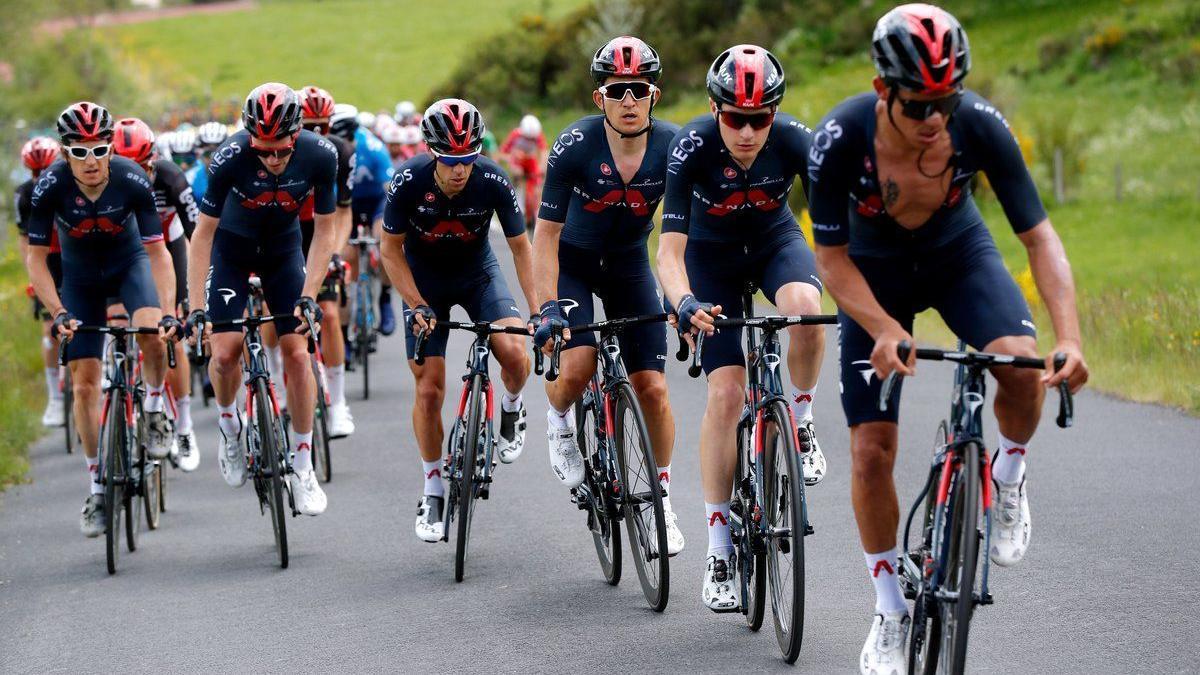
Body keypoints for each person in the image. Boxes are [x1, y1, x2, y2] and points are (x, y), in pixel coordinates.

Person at [806, 5, 1090, 672]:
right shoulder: (840, 137)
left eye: (947, 100)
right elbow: (829, 260)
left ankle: (1009, 474)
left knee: (1022, 369)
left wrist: (1070, 339)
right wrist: (881, 326)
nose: (935, 118)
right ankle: (889, 608)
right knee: (871, 449)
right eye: (919, 105)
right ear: (884, 91)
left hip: (958, 254)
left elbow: (1039, 238)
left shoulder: (979, 126)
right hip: (871, 273)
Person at [656, 44, 828, 610]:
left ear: (774, 114)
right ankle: (719, 546)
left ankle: (799, 422)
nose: (748, 132)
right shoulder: (690, 147)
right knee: (727, 392)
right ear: (714, 108)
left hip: (775, 242)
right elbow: (670, 251)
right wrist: (681, 303)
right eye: (735, 118)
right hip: (711, 258)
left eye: (760, 119)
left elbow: (840, 233)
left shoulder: (799, 142)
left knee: (805, 306)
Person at [531, 36, 685, 555]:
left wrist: (682, 294)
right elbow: (545, 237)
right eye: (616, 89)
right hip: (572, 263)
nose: (627, 99)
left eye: (637, 89)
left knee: (654, 388)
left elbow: (687, 234)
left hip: (628, 265)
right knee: (576, 367)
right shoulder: (574, 146)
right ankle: (557, 421)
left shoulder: (673, 147)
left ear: (653, 94)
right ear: (600, 97)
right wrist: (547, 307)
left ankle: (659, 496)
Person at [380, 98, 536, 543]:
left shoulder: (492, 180)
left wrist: (538, 307)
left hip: (478, 274)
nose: (459, 170)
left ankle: (510, 409)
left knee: (513, 352)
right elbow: (389, 250)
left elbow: (522, 249)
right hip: (424, 282)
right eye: (450, 161)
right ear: (431, 152)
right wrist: (414, 303)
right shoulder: (407, 181)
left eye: (467, 159)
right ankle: (432, 486)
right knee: (429, 388)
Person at [25, 102, 177, 537]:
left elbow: (157, 252)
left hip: (128, 263)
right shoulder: (50, 186)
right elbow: (36, 261)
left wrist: (166, 312)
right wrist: (58, 312)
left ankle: (152, 408)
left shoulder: (132, 179)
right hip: (79, 278)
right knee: (84, 383)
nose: (90, 161)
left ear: (111, 148)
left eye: (98, 149)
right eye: (79, 151)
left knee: (150, 334)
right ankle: (96, 485)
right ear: (63, 152)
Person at [186, 82, 336, 516]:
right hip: (231, 250)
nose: (272, 160)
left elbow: (324, 230)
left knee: (296, 350)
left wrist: (310, 295)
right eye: (263, 150)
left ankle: (304, 465)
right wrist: (196, 306)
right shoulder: (230, 157)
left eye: (280, 151)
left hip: (282, 251)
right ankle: (230, 427)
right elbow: (202, 236)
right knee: (226, 353)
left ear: (297, 135)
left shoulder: (320, 156)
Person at [112, 117, 202, 472]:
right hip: (123, 253)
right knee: (117, 321)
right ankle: (115, 376)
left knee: (171, 333)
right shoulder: (102, 183)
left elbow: (197, 235)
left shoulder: (171, 178)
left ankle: (184, 427)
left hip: (169, 246)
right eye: (124, 165)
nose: (134, 173)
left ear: (153, 159)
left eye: (141, 165)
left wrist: (196, 292)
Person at [295, 84, 357, 438]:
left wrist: (335, 251)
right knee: (280, 321)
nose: (317, 134)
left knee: (330, 314)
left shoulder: (341, 152)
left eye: (323, 126)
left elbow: (344, 214)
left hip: (323, 232)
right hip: (286, 234)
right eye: (309, 126)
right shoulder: (283, 152)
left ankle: (338, 403)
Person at [330, 103, 398, 336]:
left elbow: (391, 191)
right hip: (348, 203)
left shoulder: (373, 147)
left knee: (384, 242)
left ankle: (385, 300)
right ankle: (345, 333)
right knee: (347, 262)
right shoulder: (329, 150)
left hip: (376, 200)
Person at [15, 136, 65, 427]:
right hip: (46, 260)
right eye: (35, 172)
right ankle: (55, 399)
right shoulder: (24, 195)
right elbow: (24, 242)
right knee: (50, 331)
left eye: (47, 168)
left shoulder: (68, 184)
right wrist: (32, 277)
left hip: (73, 256)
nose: (41, 177)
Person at [499, 113, 548, 231]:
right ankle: (520, 209)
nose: (530, 141)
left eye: (532, 139)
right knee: (519, 177)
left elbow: (544, 152)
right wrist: (513, 165)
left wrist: (542, 169)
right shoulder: (515, 134)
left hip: (530, 163)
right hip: (517, 162)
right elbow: (502, 154)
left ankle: (535, 212)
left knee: (537, 188)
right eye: (527, 138)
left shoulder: (538, 135)